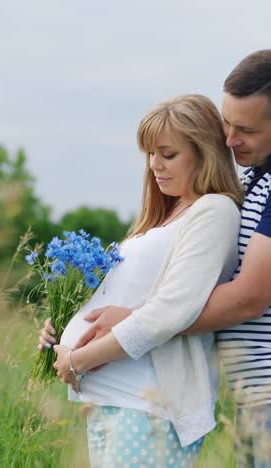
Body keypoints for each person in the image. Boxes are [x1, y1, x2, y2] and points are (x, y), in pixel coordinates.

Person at [41, 50, 271, 467]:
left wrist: (87, 352)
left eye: (246, 129)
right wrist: (70, 328)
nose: (231, 139)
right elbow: (152, 290)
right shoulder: (242, 183)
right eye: (227, 125)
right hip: (236, 391)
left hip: (170, 399)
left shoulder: (218, 208)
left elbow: (242, 298)